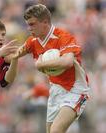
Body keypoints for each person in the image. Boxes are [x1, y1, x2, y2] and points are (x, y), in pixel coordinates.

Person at [15, 4, 90, 133]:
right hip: (55, 90)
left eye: (32, 24)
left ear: (45, 22)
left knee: (56, 130)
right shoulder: (33, 41)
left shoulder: (63, 37)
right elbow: (15, 54)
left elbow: (67, 62)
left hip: (75, 90)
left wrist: (41, 65)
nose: (29, 28)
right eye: (28, 24)